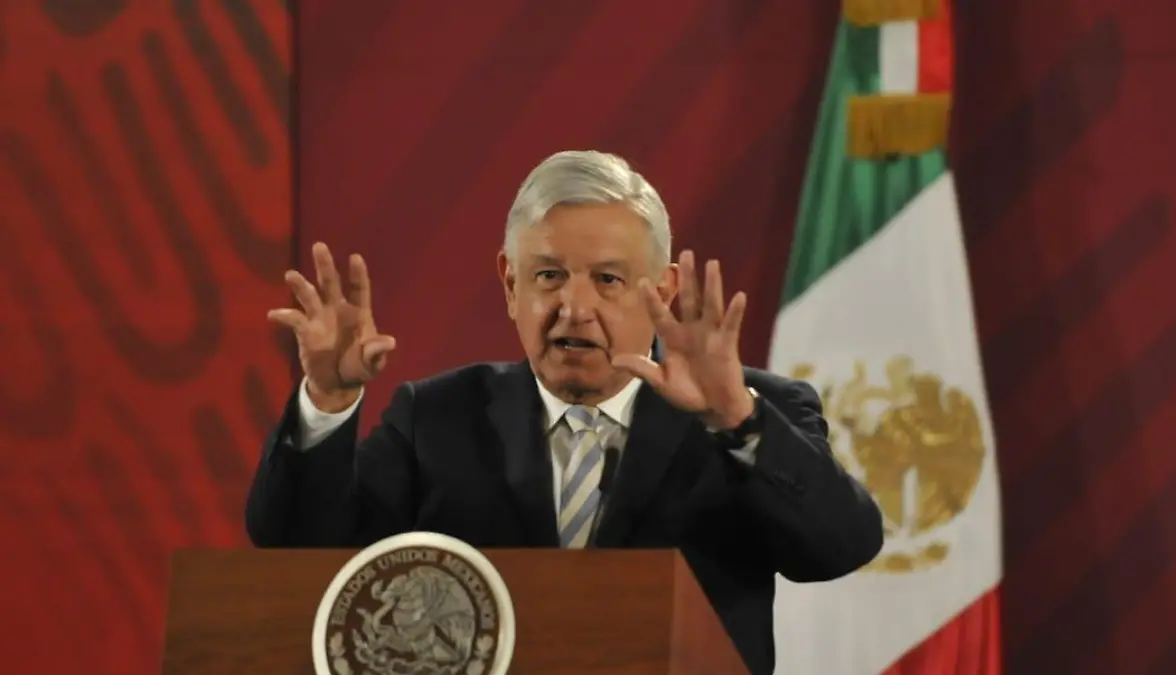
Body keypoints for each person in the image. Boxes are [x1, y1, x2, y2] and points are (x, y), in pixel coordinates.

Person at [246, 150, 883, 675]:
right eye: (549, 276)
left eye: (608, 280)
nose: (575, 308)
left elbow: (838, 547)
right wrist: (327, 401)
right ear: (510, 284)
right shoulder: (437, 418)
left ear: (661, 291)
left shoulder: (749, 412)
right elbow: (302, 556)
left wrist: (738, 421)